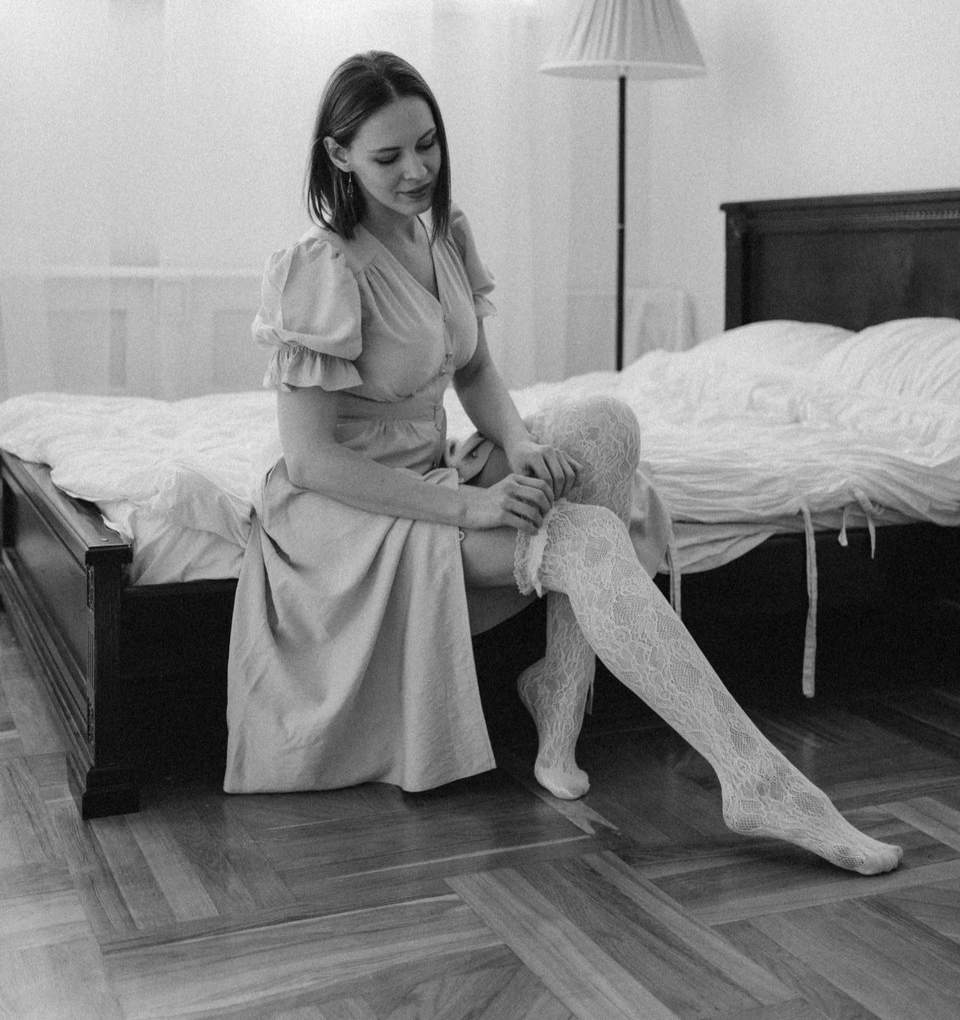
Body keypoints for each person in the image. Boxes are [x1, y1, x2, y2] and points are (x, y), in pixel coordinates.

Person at [224, 51, 902, 877]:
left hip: (430, 474)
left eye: (427, 145)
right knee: (585, 537)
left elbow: (474, 368)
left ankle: (561, 699)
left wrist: (519, 444)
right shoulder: (320, 266)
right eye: (388, 156)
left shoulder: (441, 233)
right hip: (348, 517)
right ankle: (757, 781)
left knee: (603, 426)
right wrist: (474, 506)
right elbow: (311, 460)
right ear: (338, 156)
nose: (417, 171)